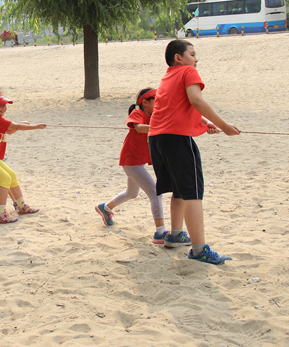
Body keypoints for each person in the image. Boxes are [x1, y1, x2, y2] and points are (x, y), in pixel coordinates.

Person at [149, 40, 240, 265]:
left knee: (179, 191)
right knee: (193, 193)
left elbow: (179, 107)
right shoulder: (187, 71)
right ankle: (199, 250)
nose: (196, 59)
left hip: (157, 139)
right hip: (176, 139)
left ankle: (176, 234)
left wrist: (207, 123)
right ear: (179, 57)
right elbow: (196, 100)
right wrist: (226, 125)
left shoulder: (167, 77)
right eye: (192, 54)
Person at [94, 88, 168, 242]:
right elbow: (139, 128)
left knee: (131, 193)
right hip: (131, 161)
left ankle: (105, 208)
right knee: (155, 192)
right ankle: (160, 232)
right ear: (145, 103)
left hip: (138, 162)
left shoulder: (155, 116)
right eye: (156, 99)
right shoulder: (137, 114)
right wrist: (160, 128)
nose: (160, 101)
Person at [0, 91, 46, 223]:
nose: (4, 108)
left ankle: (22, 206)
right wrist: (36, 126)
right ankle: (1, 214)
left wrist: (20, 124)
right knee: (5, 178)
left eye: (5, 105)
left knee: (12, 175)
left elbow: (10, 130)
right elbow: (15, 127)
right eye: (0, 105)